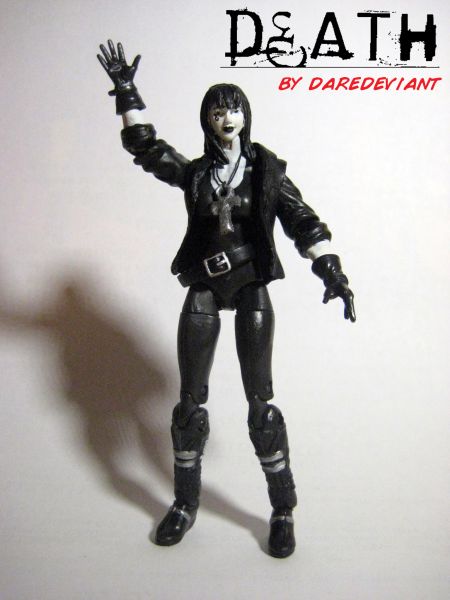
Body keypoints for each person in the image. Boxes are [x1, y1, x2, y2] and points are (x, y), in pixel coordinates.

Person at [98, 40, 355, 558]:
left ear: (245, 115)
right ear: (208, 121)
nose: (227, 118)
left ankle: (282, 509)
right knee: (189, 404)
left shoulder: (266, 172)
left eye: (233, 109)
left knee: (261, 403)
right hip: (204, 284)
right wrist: (126, 92)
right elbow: (147, 149)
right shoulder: (197, 173)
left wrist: (331, 270)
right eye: (217, 112)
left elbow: (303, 220)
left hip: (252, 282)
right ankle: (184, 502)